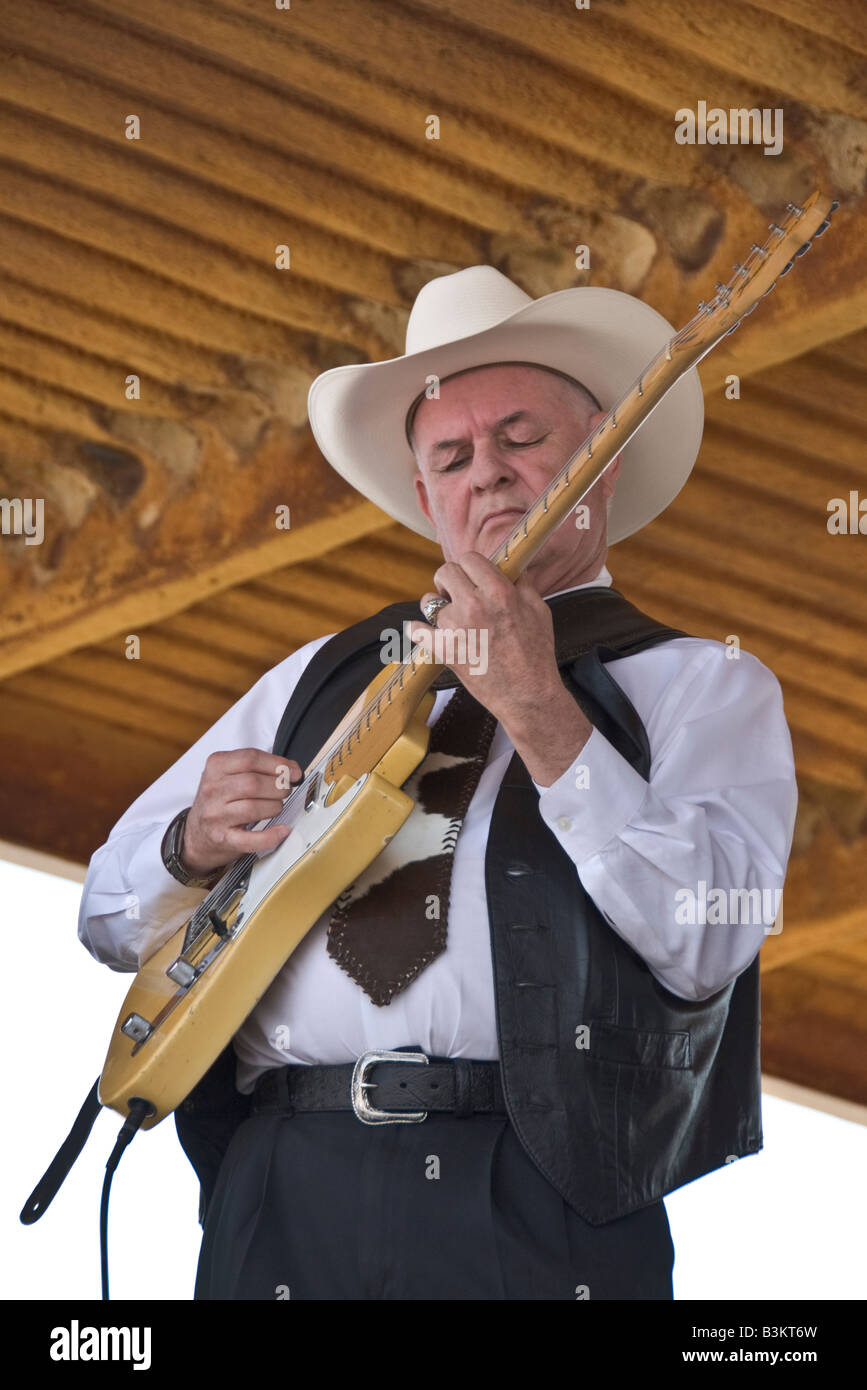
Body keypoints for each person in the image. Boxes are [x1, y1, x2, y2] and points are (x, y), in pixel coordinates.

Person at [78, 266, 797, 1300]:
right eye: (453, 455)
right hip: (283, 1179)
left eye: (523, 437)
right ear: (426, 499)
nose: (490, 474)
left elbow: (707, 940)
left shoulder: (700, 682)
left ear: (604, 460)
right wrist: (185, 845)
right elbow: (107, 917)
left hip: (539, 1192)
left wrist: (541, 709)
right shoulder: (316, 677)